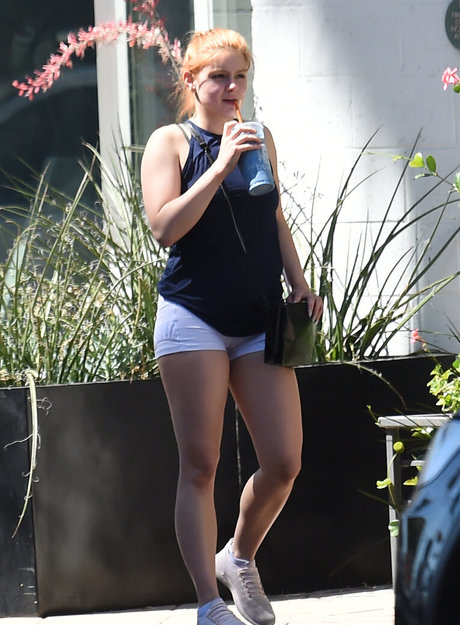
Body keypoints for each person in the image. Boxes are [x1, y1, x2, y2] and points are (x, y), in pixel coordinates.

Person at [141, 28, 323, 625]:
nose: (232, 87)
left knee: (284, 461)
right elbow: (165, 227)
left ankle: (238, 556)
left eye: (240, 76)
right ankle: (207, 603)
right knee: (201, 464)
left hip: (258, 317)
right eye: (218, 76)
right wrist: (220, 164)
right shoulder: (170, 142)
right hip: (193, 315)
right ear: (192, 81)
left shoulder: (259, 138)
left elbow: (274, 217)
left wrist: (299, 281)